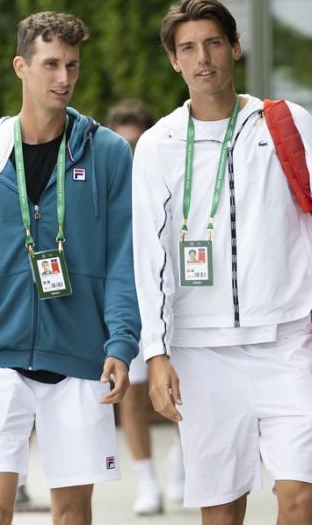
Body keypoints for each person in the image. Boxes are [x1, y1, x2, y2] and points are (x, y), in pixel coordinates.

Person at [132, 0, 312, 524]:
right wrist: (156, 352)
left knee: (302, 500)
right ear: (174, 60)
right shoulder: (157, 144)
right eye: (187, 48)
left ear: (235, 47)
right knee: (221, 512)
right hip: (201, 352)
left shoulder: (284, 123)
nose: (202, 58)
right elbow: (148, 258)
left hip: (290, 345)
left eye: (213, 43)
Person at [0, 11, 140, 525]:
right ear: (21, 66)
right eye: (50, 64)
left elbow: (124, 259)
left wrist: (121, 343)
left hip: (81, 357)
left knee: (72, 513)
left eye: (72, 65)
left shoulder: (107, 152)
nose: (63, 78)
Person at [106, 98, 185, 515]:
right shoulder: (103, 181)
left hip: (175, 297)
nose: (130, 153)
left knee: (182, 390)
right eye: (123, 145)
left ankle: (180, 460)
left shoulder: (170, 168)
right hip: (127, 301)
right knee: (132, 395)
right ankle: (147, 482)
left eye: (136, 144)